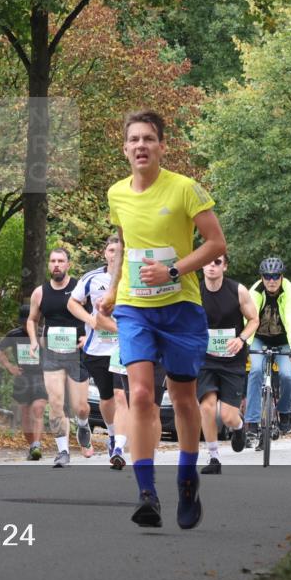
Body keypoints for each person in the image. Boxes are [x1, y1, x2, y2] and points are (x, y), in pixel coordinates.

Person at [99, 109, 227, 530]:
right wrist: (114, 290)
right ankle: (146, 493)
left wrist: (173, 271)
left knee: (185, 397)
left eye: (148, 139)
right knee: (138, 395)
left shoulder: (185, 189)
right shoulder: (117, 194)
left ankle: (188, 477)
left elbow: (215, 243)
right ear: (124, 148)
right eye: (133, 139)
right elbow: (123, 242)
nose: (141, 146)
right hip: (135, 309)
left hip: (180, 308)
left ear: (161, 146)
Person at [67, 235, 130, 470]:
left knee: (121, 395)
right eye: (111, 250)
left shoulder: (131, 278)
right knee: (107, 398)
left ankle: (118, 447)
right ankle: (112, 434)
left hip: (124, 347)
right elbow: (72, 303)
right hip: (97, 347)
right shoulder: (92, 278)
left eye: (119, 250)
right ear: (105, 253)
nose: (115, 254)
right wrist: (90, 320)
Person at [27, 248, 92, 468]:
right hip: (52, 354)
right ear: (49, 265)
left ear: (68, 265)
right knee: (55, 403)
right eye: (53, 260)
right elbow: (32, 320)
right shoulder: (40, 292)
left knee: (80, 406)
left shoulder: (80, 288)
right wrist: (34, 341)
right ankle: (62, 451)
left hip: (77, 353)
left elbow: (95, 315)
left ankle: (83, 424)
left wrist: (88, 338)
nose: (56, 264)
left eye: (61, 261)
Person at [197, 253, 258, 474]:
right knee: (206, 407)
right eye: (208, 261)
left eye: (217, 262)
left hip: (232, 360)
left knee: (228, 416)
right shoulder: (195, 290)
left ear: (225, 266)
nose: (211, 266)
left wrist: (241, 339)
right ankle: (214, 458)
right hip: (205, 359)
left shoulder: (238, 290)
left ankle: (239, 427)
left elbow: (254, 319)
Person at [245, 257, 291, 448]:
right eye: (267, 276)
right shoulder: (254, 292)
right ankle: (253, 423)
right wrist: (245, 344)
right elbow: (249, 318)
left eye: (275, 276)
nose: (271, 280)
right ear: (262, 277)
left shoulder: (290, 293)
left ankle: (284, 414)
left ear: (282, 276)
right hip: (259, 338)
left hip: (285, 340)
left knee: (288, 377)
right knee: (255, 371)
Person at [0, 305, 48, 460]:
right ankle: (32, 447)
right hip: (22, 378)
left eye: (30, 322)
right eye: (25, 323)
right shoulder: (14, 334)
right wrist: (10, 366)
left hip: (40, 377)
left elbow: (55, 351)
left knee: (38, 409)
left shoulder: (43, 334)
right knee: (25, 414)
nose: (27, 326)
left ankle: (37, 444)